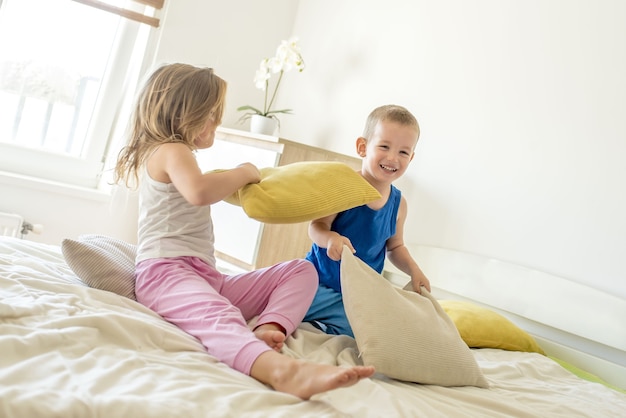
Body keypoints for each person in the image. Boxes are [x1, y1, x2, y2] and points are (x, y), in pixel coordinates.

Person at [114, 63, 374, 400]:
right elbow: (199, 192)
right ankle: (281, 371)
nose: (216, 124)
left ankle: (271, 326)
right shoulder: (170, 151)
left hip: (205, 276)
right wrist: (243, 173)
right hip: (166, 274)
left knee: (301, 270)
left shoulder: (175, 153)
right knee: (218, 316)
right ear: (183, 114)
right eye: (211, 115)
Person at [303, 104, 432, 338]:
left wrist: (414, 270)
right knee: (283, 303)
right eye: (384, 146)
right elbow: (316, 227)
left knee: (373, 332)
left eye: (403, 152)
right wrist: (330, 238)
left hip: (358, 296)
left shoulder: (398, 204)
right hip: (317, 282)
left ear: (411, 157)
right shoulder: (344, 186)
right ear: (363, 147)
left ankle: (327, 328)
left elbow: (395, 247)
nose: (393, 158)